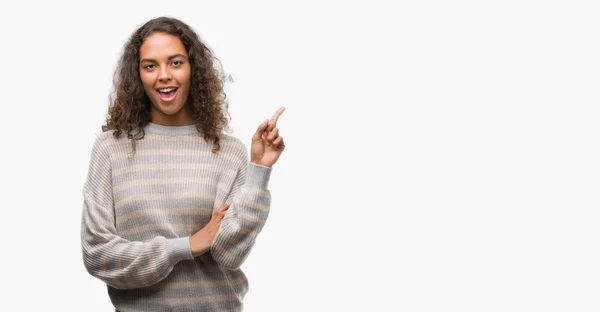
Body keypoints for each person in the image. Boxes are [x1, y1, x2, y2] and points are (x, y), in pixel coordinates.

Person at [80, 16, 285, 312]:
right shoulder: (110, 148)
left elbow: (230, 253)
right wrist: (186, 246)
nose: (163, 75)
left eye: (175, 62)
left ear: (193, 69)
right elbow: (97, 253)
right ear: (138, 75)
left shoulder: (228, 151)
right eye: (150, 66)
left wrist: (259, 171)